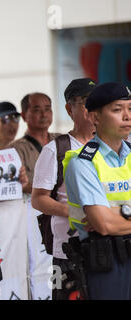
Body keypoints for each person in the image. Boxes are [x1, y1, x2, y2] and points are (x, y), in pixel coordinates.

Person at [63, 82, 131, 300]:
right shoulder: (83, 163)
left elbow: (109, 220)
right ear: (94, 117)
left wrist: (116, 215)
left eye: (130, 109)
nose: (127, 116)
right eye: (117, 110)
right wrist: (110, 219)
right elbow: (103, 224)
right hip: (107, 262)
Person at [31, 78, 96, 300]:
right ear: (70, 108)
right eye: (87, 102)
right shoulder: (55, 150)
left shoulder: (113, 146)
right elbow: (38, 199)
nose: (94, 108)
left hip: (108, 245)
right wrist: (74, 211)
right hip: (67, 252)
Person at [9, 91, 59, 300]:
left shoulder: (62, 141)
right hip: (33, 215)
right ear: (24, 115)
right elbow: (20, 185)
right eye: (36, 110)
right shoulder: (15, 149)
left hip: (62, 212)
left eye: (47, 108)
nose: (43, 114)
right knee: (39, 263)